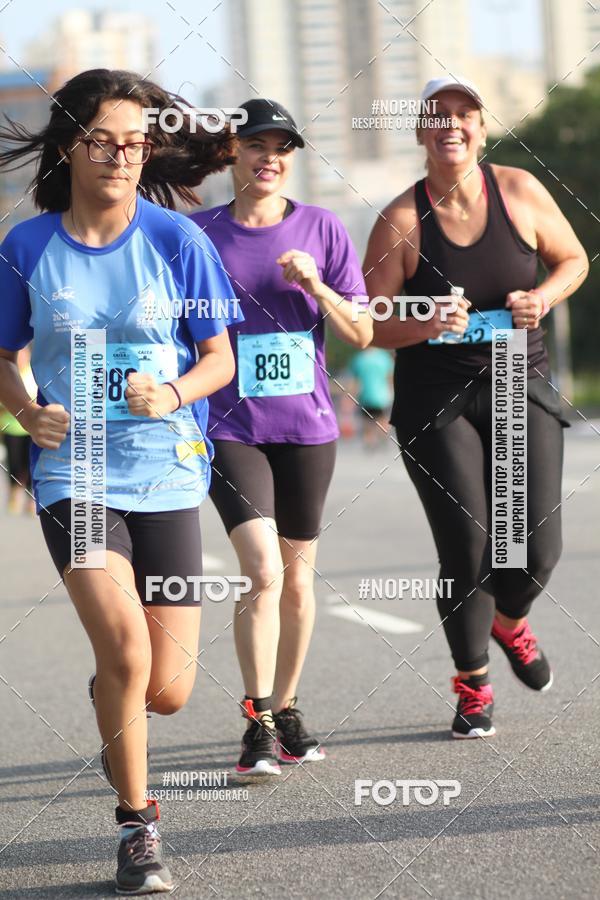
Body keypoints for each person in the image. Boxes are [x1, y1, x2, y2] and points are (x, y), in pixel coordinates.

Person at [0, 68, 240, 893]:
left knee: (165, 690)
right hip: (78, 474)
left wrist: (171, 391)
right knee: (130, 648)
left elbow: (220, 359)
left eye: (135, 142)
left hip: (169, 473)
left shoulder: (179, 242)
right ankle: (139, 828)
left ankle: (114, 688)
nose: (120, 156)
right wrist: (29, 415)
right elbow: (2, 359)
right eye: (103, 140)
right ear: (71, 145)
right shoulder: (26, 248)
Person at [364, 76, 589, 738]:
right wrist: (424, 320)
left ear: (484, 129)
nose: (452, 125)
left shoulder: (519, 191)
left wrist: (543, 297)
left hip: (520, 382)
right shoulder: (401, 219)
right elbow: (369, 322)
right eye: (438, 115)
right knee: (468, 545)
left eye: (466, 114)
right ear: (420, 132)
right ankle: (472, 685)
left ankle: (510, 621)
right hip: (437, 400)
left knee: (533, 550)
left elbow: (574, 258)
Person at [191, 98, 372, 774]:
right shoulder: (197, 233)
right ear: (232, 153)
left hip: (307, 428)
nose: (271, 157)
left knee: (298, 583)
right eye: (257, 145)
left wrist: (318, 286)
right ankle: (258, 718)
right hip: (231, 426)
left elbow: (362, 333)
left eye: (283, 147)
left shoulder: (323, 229)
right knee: (262, 571)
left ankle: (287, 705)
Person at [0, 345, 36, 514]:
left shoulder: (32, 373)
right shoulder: (7, 371)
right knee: (14, 463)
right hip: (11, 427)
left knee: (29, 463)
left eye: (23, 354)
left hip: (31, 429)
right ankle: (14, 493)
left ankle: (31, 498)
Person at [348, 347, 394, 446]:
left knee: (367, 421)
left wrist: (350, 398)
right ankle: (381, 437)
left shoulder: (359, 359)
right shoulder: (384, 357)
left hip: (366, 397)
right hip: (382, 396)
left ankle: (369, 440)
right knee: (382, 419)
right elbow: (390, 377)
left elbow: (355, 382)